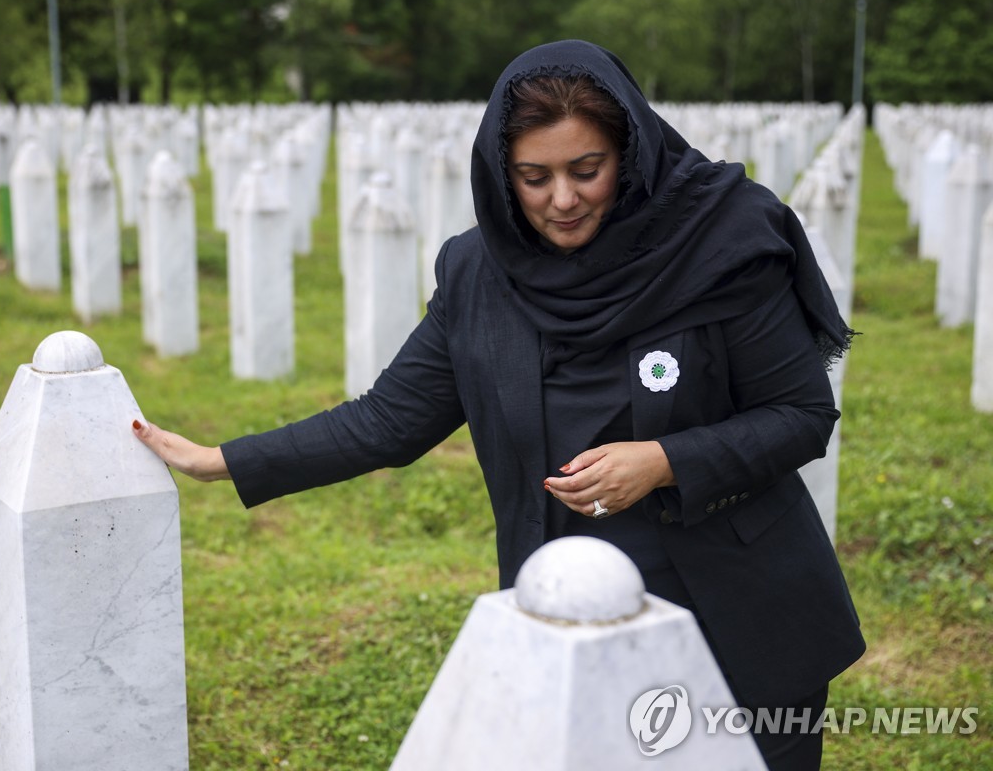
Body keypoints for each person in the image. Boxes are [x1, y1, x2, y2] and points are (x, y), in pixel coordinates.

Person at [133, 40, 865, 770]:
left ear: (632, 152)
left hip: (734, 607)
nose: (563, 199)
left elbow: (799, 414)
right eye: (534, 177)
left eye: (588, 170)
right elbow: (391, 420)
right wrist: (224, 460)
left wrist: (665, 460)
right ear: (500, 172)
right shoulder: (477, 273)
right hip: (563, 603)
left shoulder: (722, 242)